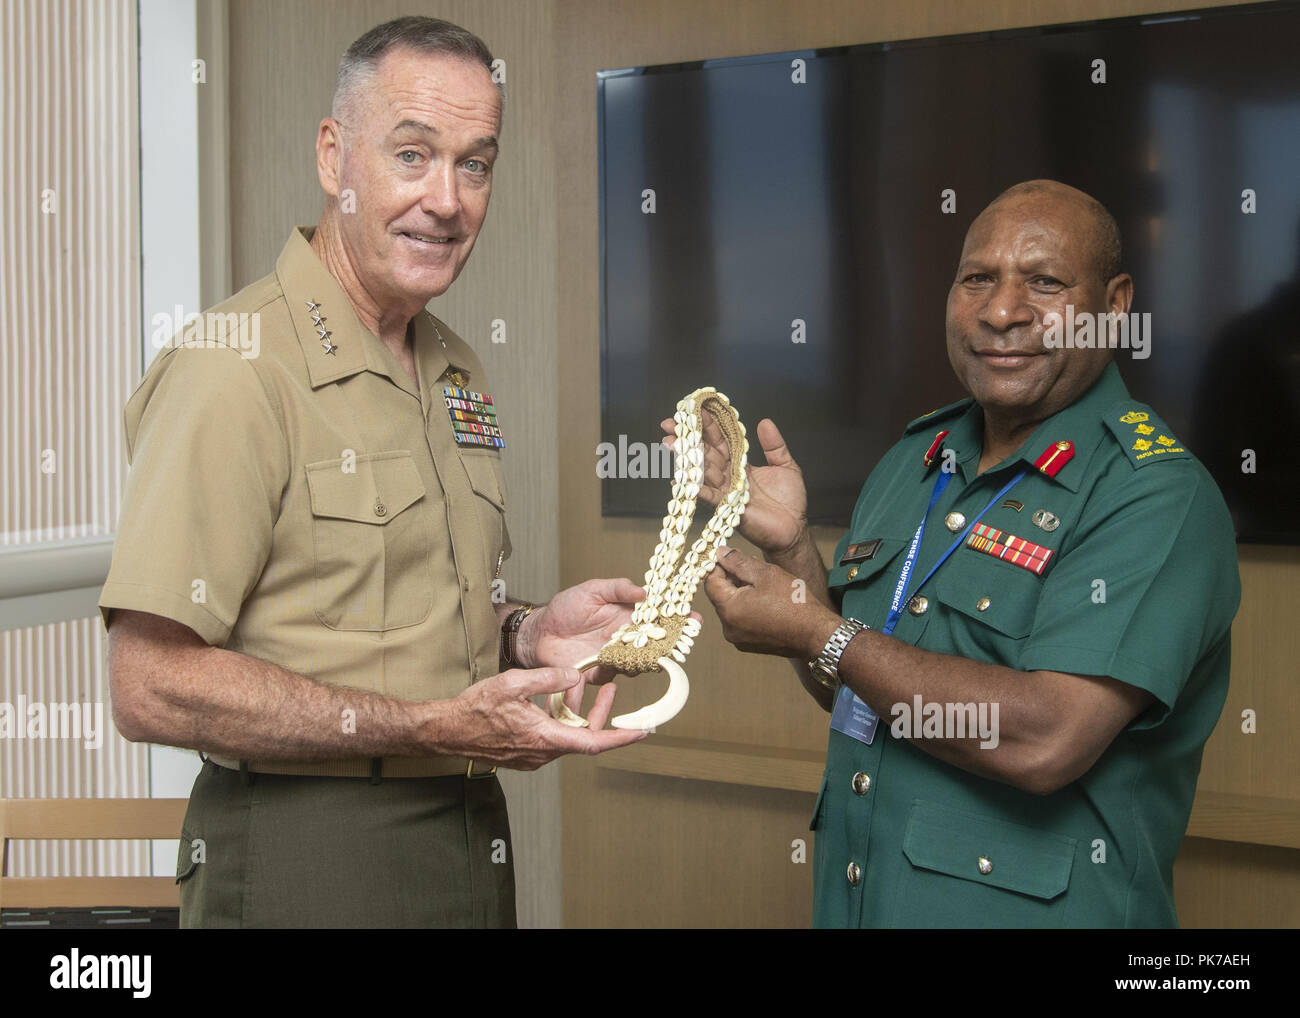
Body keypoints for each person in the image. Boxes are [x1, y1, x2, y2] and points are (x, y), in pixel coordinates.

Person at [100, 16, 645, 929]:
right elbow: (148, 682)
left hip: (467, 844)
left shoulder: (457, 366)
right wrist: (432, 726)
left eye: (475, 164)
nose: (446, 199)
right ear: (332, 157)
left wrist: (527, 632)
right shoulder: (234, 367)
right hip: (302, 858)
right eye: (412, 154)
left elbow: (402, 612)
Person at [683, 180, 1240, 927]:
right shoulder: (918, 459)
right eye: (978, 278)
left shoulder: (1155, 495)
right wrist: (793, 557)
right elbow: (864, 687)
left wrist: (820, 631)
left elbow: (1047, 738)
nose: (1001, 311)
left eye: (1043, 283)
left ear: (1114, 307)